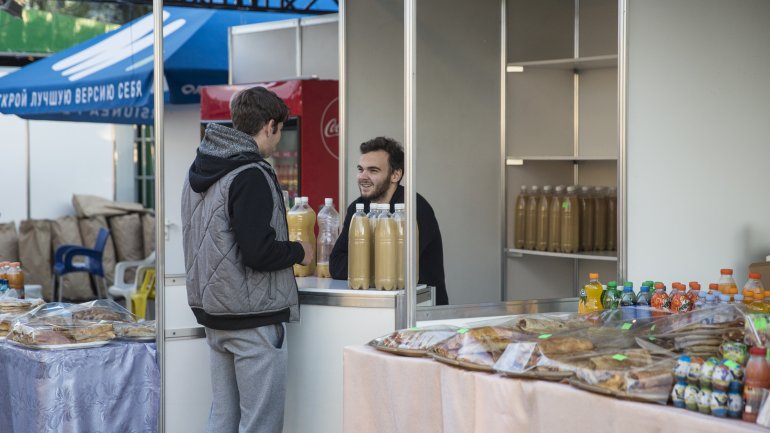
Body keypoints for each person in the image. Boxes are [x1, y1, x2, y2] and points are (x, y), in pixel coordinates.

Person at [181, 86, 312, 433]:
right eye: (280, 129)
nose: (280, 139)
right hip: (252, 316)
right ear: (269, 125)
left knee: (222, 420)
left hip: (215, 314)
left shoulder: (200, 170)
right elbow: (259, 252)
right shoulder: (250, 173)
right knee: (260, 425)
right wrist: (300, 251)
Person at [329, 136, 448, 305]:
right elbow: (336, 264)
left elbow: (398, 267)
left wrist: (360, 268)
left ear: (395, 174)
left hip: (421, 309)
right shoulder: (357, 209)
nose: (363, 177)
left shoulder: (414, 208)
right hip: (375, 305)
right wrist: (373, 270)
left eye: (373, 170)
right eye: (360, 169)